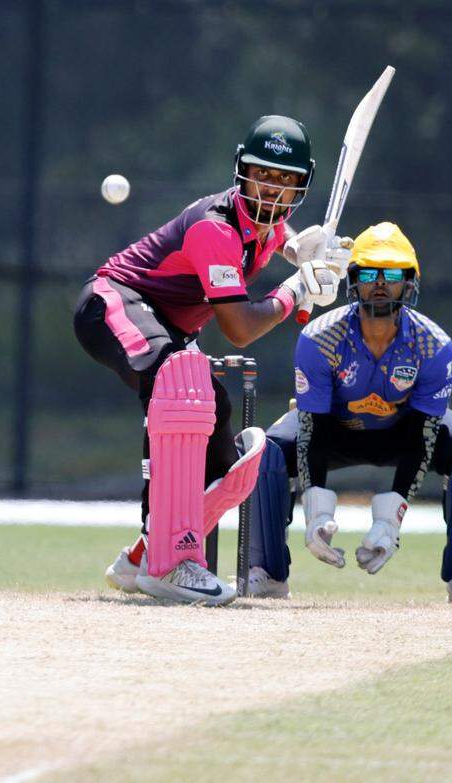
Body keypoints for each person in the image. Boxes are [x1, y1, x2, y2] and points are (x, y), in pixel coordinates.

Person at [73, 115, 352, 605]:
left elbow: (276, 240)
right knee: (180, 385)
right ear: (241, 172)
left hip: (168, 328)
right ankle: (169, 564)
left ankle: (143, 554)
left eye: (286, 180)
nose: (272, 189)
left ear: (301, 186)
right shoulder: (215, 228)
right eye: (263, 174)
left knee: (217, 437)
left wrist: (298, 251)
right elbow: (240, 328)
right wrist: (294, 290)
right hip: (113, 302)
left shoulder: (268, 227)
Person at [244, 221, 452, 604]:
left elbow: (422, 435)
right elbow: (312, 427)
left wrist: (389, 521)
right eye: (368, 273)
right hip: (332, 430)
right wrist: (316, 512)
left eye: (392, 274)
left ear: (410, 282)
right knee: (264, 451)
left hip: (404, 431)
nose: (380, 284)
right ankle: (266, 572)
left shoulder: (434, 346)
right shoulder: (320, 338)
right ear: (352, 280)